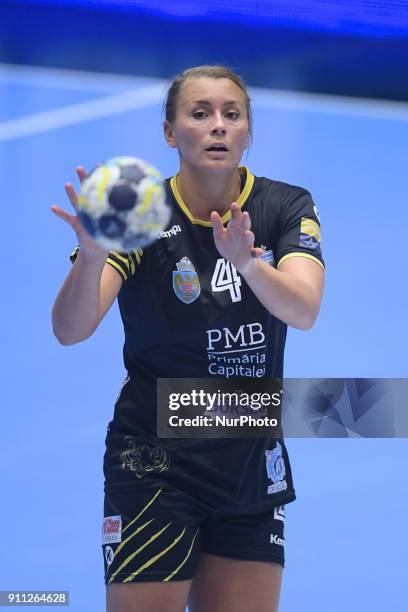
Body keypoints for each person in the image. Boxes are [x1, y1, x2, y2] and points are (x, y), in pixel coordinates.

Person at [51, 65, 324, 612]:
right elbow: (70, 329)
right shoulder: (139, 214)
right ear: (171, 132)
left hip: (249, 458)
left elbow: (304, 308)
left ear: (248, 130)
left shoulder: (285, 206)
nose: (218, 126)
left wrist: (249, 264)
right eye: (199, 114)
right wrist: (96, 251)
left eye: (232, 114)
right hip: (153, 459)